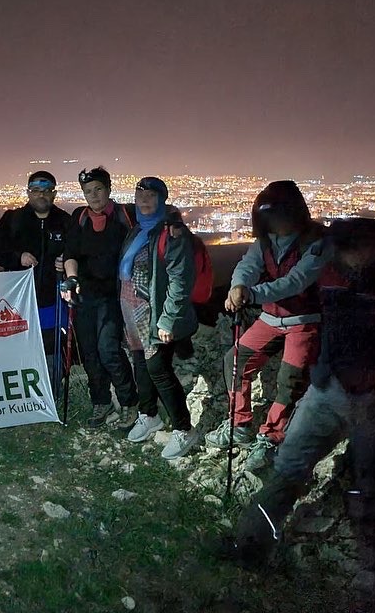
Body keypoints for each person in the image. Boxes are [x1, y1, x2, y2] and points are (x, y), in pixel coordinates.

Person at [224, 218, 375, 571]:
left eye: (354, 248)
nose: (348, 255)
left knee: (368, 479)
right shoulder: (333, 276)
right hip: (327, 391)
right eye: (345, 248)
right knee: (289, 468)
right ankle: (250, 547)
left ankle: (371, 564)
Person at [206, 180, 328, 471]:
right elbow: (247, 266)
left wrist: (251, 294)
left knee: (290, 380)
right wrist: (238, 286)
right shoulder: (265, 241)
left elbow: (296, 282)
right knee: (236, 361)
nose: (273, 222)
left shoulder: (317, 242)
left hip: (304, 321)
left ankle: (271, 437)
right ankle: (239, 424)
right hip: (271, 318)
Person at [117, 177, 200, 459]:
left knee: (158, 369)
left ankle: (184, 428)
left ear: (162, 199)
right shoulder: (138, 228)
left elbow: (180, 280)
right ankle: (149, 414)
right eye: (140, 194)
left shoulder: (171, 233)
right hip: (132, 310)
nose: (144, 200)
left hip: (155, 314)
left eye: (152, 195)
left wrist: (168, 320)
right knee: (140, 362)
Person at [60, 167, 139, 429]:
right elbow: (70, 253)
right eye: (88, 191)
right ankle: (101, 401)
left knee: (108, 349)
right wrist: (72, 278)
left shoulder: (124, 216)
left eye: (98, 189)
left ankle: (129, 401)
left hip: (113, 296)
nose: (93, 196)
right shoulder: (80, 217)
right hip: (84, 295)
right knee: (90, 352)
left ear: (108, 189)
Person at [0, 170, 71, 391]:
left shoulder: (65, 221)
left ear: (54, 194)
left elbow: (77, 253)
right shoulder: (13, 219)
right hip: (18, 301)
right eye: (35, 190)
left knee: (52, 349)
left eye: (46, 191)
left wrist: (67, 261)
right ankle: (21, 393)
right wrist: (18, 257)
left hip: (53, 301)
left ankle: (50, 393)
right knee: (19, 347)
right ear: (28, 192)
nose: (41, 195)